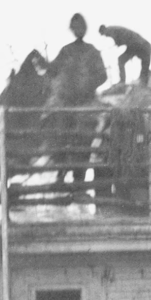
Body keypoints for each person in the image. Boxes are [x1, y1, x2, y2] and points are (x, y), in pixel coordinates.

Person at [45, 13, 107, 182]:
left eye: (81, 27)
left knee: (83, 143)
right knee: (60, 136)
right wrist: (43, 63)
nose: (78, 30)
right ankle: (61, 173)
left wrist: (87, 86)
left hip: (86, 105)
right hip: (66, 103)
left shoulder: (92, 51)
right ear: (72, 30)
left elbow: (102, 75)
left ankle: (78, 181)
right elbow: (53, 70)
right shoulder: (66, 51)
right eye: (76, 27)